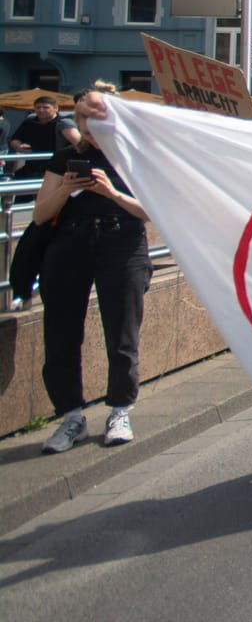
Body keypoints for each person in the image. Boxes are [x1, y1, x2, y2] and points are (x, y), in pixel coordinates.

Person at [36, 86, 152, 454]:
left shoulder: (134, 157)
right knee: (61, 334)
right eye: (84, 124)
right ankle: (71, 416)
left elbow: (150, 211)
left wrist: (112, 194)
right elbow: (40, 215)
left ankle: (119, 410)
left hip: (122, 245)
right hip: (70, 246)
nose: (89, 132)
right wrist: (65, 188)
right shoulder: (65, 158)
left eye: (96, 124)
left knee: (122, 333)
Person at [11, 94, 80, 179]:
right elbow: (15, 139)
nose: (41, 110)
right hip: (32, 167)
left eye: (46, 107)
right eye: (38, 107)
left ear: (56, 108)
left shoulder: (63, 123)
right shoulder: (29, 122)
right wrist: (18, 146)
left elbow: (79, 144)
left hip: (57, 169)